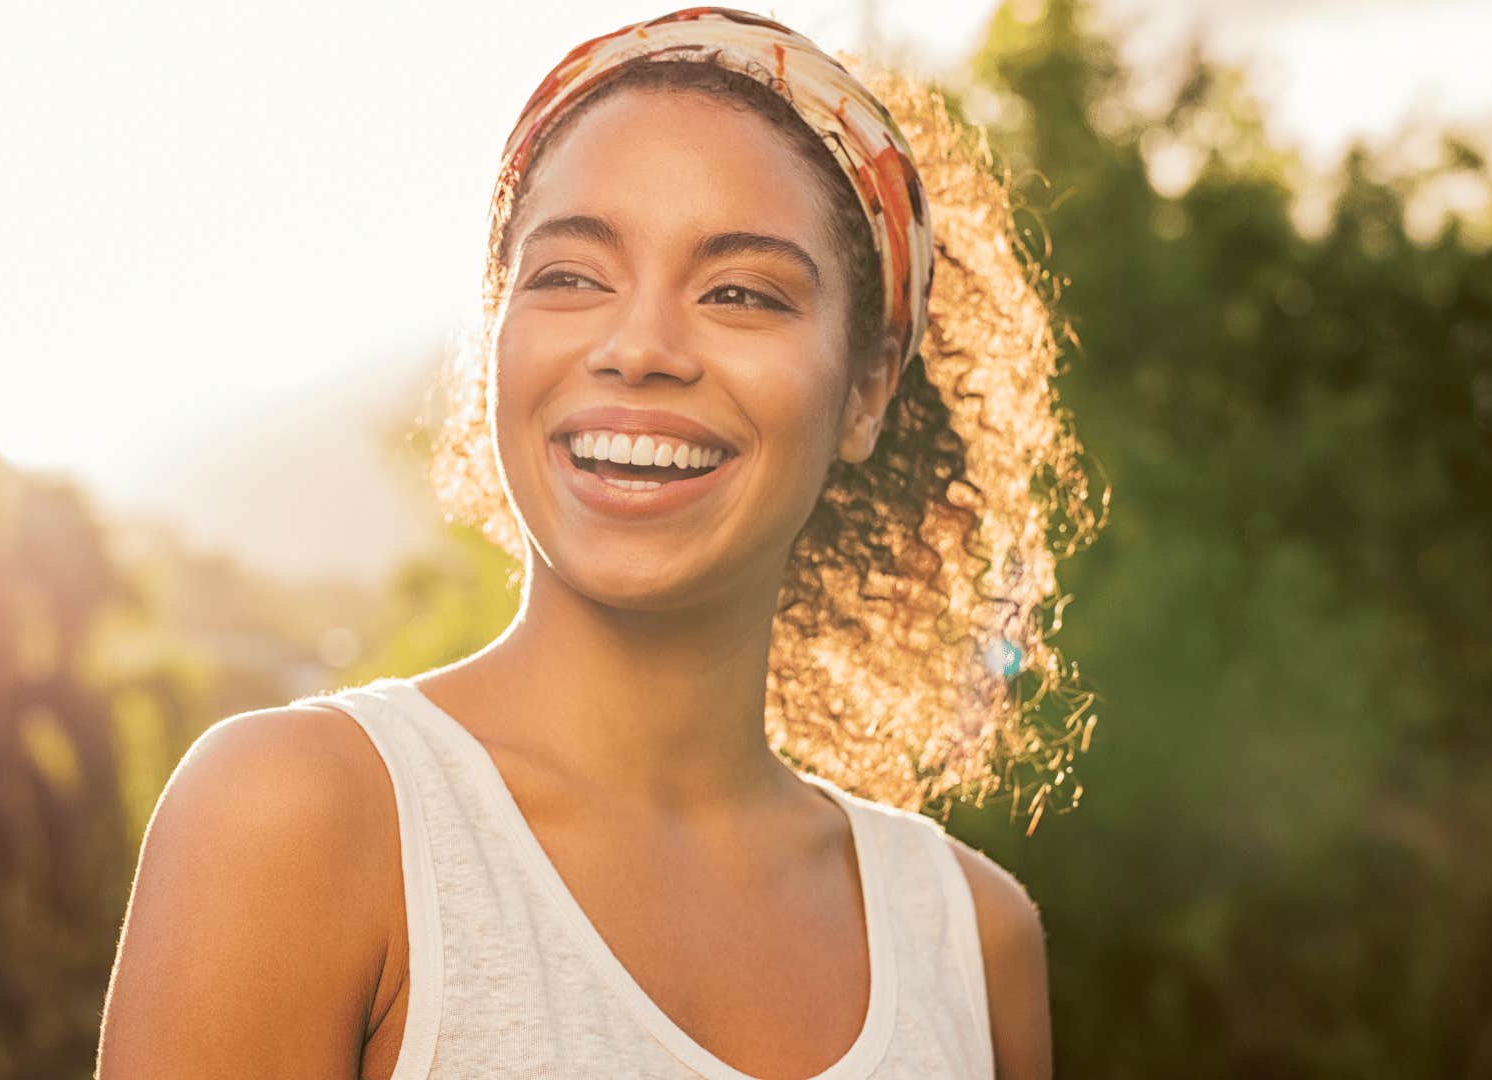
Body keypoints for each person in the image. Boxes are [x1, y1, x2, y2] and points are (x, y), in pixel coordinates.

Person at [100, 7, 1099, 1078]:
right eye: (571, 276)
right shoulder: (296, 818)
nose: (639, 348)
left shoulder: (971, 944)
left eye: (741, 293)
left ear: (866, 387)